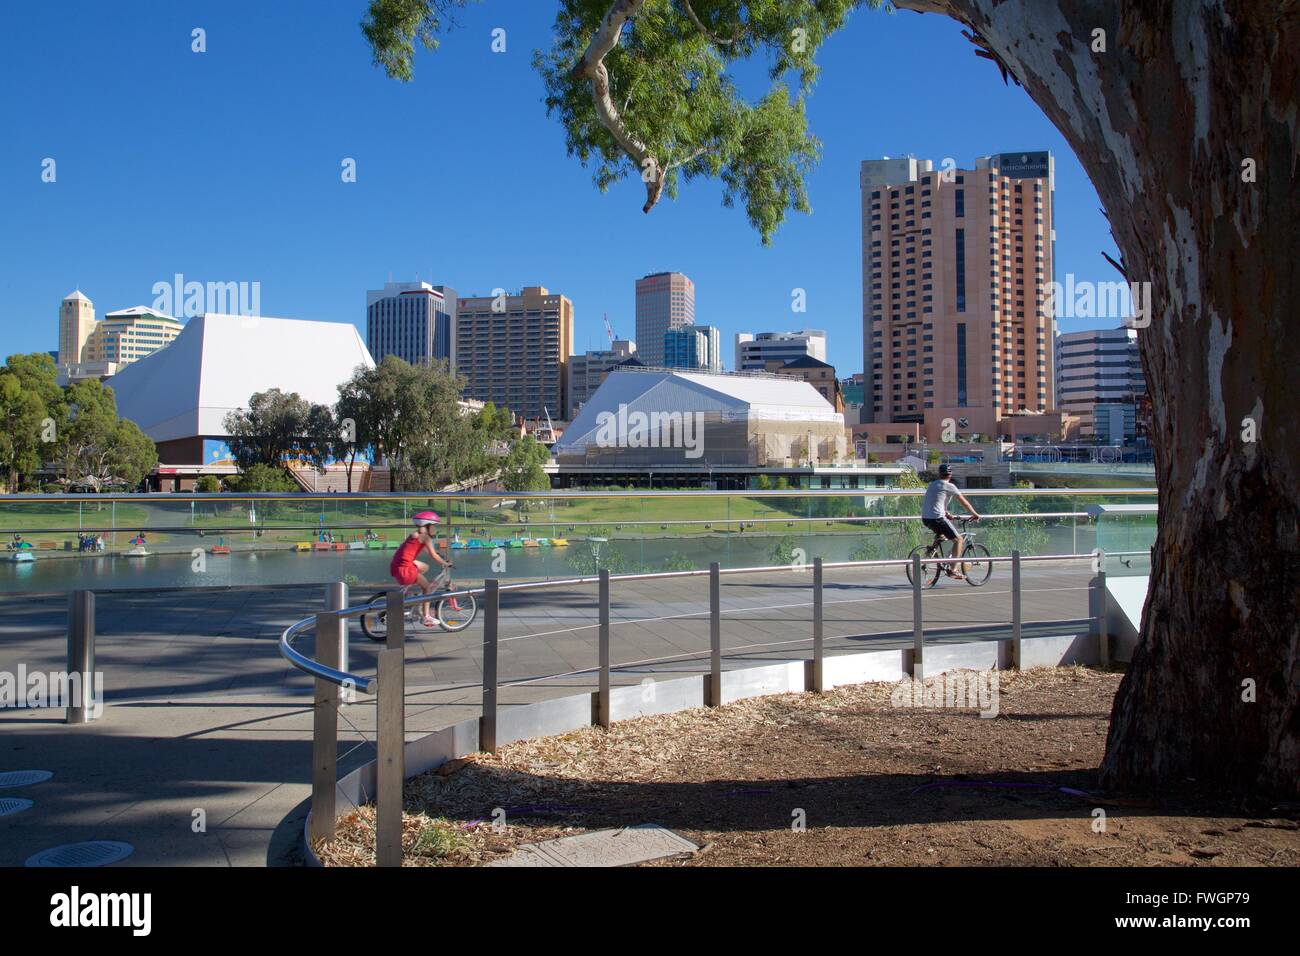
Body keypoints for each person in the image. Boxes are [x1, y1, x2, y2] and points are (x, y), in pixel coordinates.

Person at [390, 511, 452, 627]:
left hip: (398, 565)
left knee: (425, 567)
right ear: (427, 525)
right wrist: (445, 563)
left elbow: (427, 550)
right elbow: (433, 555)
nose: (435, 529)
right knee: (427, 587)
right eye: (434, 526)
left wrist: (439, 554)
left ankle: (407, 589)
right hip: (406, 568)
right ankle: (426, 617)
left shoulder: (415, 535)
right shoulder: (425, 537)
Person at [921, 464, 982, 579]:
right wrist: (975, 514)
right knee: (959, 540)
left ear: (939, 474)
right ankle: (953, 570)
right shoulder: (950, 486)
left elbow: (936, 501)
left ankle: (933, 548)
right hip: (937, 518)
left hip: (926, 518)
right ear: (950, 475)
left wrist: (946, 513)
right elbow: (964, 503)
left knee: (943, 534)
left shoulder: (932, 485)